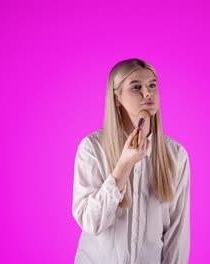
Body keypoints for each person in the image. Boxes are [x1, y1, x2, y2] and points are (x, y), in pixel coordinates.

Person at [72, 58, 190, 263]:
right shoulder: (92, 148)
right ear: (116, 97)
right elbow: (91, 222)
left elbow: (177, 234)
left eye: (152, 85)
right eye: (136, 87)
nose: (147, 93)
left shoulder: (176, 155)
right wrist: (123, 166)